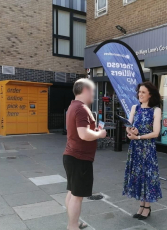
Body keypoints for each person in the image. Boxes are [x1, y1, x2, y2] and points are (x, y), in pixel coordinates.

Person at [63, 78, 106, 230]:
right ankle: (72, 226)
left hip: (72, 156)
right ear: (85, 90)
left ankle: (73, 223)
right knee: (77, 196)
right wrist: (100, 134)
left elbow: (81, 131)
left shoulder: (73, 106)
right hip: (79, 158)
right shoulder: (81, 108)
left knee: (72, 192)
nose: (94, 94)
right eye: (93, 90)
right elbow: (83, 134)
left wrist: (93, 131)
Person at [123, 81, 162, 220]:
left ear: (150, 94)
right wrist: (130, 130)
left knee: (147, 177)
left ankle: (147, 206)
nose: (140, 94)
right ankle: (141, 205)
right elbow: (128, 125)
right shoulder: (135, 107)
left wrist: (138, 136)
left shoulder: (156, 110)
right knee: (138, 176)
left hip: (147, 149)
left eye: (143, 92)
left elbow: (156, 133)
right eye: (139, 92)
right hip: (135, 148)